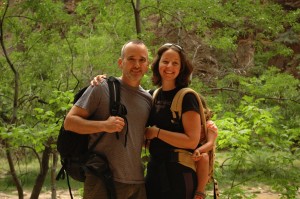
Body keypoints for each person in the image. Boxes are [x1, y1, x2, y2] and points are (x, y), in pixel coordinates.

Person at [64, 40, 152, 199]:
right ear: (121, 62)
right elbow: (70, 122)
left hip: (137, 182)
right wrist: (104, 125)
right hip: (101, 178)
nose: (137, 64)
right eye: (131, 59)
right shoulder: (101, 87)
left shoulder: (148, 99)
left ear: (148, 65)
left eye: (142, 60)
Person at [144, 43, 201, 199]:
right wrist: (102, 81)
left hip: (180, 174)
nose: (169, 66)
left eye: (175, 63)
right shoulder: (152, 95)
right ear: (157, 64)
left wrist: (157, 133)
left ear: (182, 68)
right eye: (165, 61)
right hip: (155, 171)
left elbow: (191, 141)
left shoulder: (187, 97)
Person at [192, 96, 218, 199]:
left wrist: (198, 150)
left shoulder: (208, 125)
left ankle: (200, 191)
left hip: (202, 156)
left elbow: (210, 143)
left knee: (204, 157)